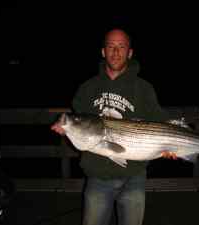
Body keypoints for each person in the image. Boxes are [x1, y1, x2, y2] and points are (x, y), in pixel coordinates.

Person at [51, 28, 177, 225]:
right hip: (97, 177)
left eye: (121, 46)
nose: (116, 52)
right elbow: (81, 124)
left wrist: (171, 146)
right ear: (103, 51)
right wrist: (67, 128)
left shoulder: (144, 88)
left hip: (134, 177)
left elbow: (161, 122)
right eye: (111, 46)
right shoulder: (87, 88)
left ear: (130, 52)